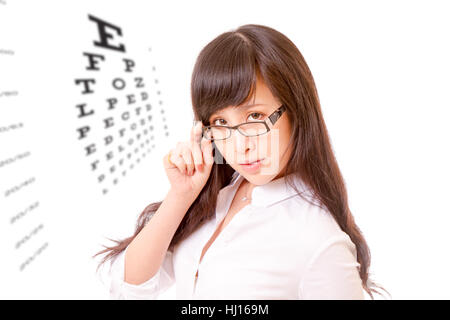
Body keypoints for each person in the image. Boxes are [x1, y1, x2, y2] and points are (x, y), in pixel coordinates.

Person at [95, 24, 388, 300]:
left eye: (255, 117)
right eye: (220, 122)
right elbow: (127, 286)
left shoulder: (317, 239)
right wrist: (181, 195)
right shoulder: (217, 195)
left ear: (297, 110)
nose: (240, 145)